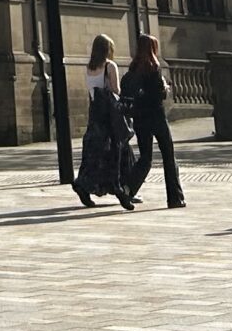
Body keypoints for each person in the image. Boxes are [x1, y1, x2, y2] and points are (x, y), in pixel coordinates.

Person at [120, 35, 185, 207]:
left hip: (140, 118)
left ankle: (128, 188)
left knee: (145, 158)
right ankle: (175, 198)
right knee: (168, 157)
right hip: (156, 116)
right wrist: (165, 88)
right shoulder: (154, 68)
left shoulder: (133, 69)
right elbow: (158, 95)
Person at [73, 34, 136, 210]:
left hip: (95, 113)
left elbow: (92, 91)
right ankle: (119, 189)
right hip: (109, 115)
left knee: (95, 152)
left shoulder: (90, 67)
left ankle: (85, 183)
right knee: (116, 150)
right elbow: (116, 90)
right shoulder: (110, 65)